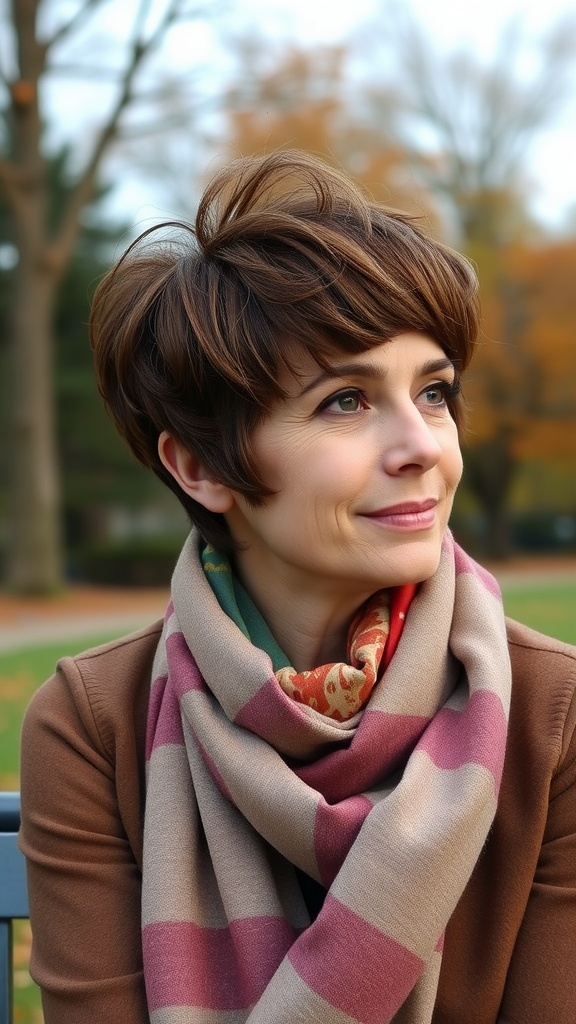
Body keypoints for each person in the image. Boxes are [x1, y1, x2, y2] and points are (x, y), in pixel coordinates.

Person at [19, 149, 576, 1024]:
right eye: (346, 402)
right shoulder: (95, 724)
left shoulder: (555, 710)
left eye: (434, 392)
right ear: (201, 465)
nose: (424, 446)